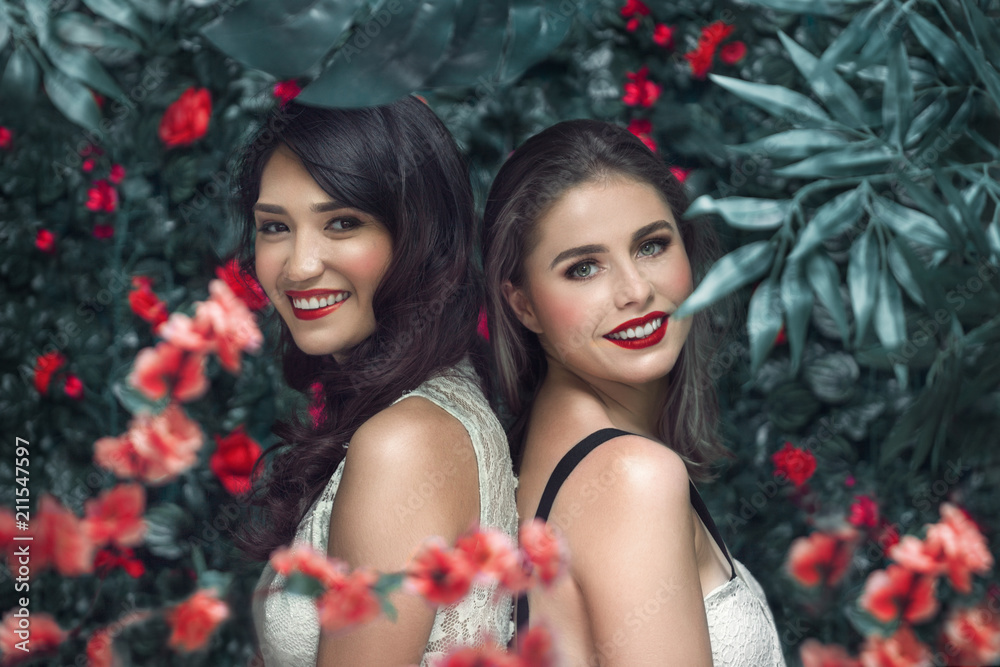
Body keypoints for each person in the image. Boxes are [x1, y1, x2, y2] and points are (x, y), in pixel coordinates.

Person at [483, 119, 785, 666]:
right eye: (584, 268)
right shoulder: (630, 478)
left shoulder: (549, 451)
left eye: (651, 246)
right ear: (521, 304)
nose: (635, 289)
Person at [232, 97, 518, 666]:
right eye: (275, 227)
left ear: (421, 235)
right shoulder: (426, 400)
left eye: (342, 223)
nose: (299, 265)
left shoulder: (404, 443)